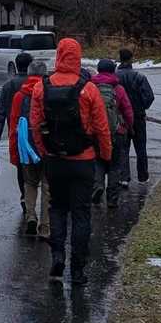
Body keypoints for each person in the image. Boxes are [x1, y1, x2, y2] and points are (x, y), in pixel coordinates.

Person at [28, 38, 111, 286]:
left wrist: (45, 150)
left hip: (55, 160)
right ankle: (77, 270)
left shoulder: (41, 87)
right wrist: (105, 155)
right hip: (83, 160)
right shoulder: (89, 89)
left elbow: (35, 125)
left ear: (58, 55)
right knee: (81, 214)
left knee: (57, 208)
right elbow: (102, 127)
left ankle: (57, 257)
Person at [6, 55, 49, 238]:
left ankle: (31, 215)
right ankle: (45, 227)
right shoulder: (49, 91)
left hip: (26, 146)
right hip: (46, 146)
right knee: (47, 186)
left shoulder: (19, 96)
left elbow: (14, 125)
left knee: (30, 183)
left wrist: (14, 152)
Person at [89, 59, 134, 206]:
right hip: (117, 132)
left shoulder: (91, 87)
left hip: (96, 132)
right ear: (113, 70)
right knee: (115, 165)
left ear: (98, 70)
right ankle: (112, 199)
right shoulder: (118, 89)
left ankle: (98, 186)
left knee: (98, 161)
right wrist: (129, 126)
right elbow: (128, 111)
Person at [0, 51, 33, 207]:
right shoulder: (36, 83)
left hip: (15, 130)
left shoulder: (9, 85)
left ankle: (24, 196)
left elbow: (0, 112)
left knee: (22, 164)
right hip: (34, 129)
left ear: (16, 65)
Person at [114, 49, 155, 185]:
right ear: (131, 59)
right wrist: (141, 107)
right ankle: (143, 176)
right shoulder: (139, 76)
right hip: (138, 116)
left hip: (120, 118)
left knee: (123, 148)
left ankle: (124, 177)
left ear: (120, 58)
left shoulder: (115, 77)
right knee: (141, 147)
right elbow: (149, 96)